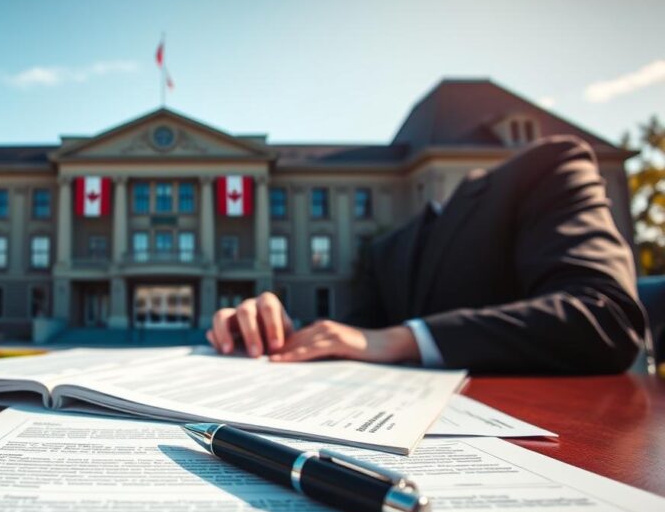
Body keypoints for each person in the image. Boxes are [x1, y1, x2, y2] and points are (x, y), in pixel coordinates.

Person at [207, 135, 647, 374]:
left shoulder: (549, 166)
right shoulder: (385, 250)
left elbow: (607, 316)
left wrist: (404, 339)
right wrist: (274, 333)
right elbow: (352, 338)